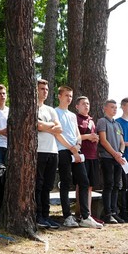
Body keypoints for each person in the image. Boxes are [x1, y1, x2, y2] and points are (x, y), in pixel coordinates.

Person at [55, 87, 99, 228]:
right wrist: (71, 148)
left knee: (84, 181)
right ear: (59, 96)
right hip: (63, 150)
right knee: (66, 182)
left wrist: (78, 146)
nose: (69, 98)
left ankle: (85, 216)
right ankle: (67, 216)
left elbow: (77, 134)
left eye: (70, 96)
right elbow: (57, 134)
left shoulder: (72, 116)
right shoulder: (55, 112)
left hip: (76, 151)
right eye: (66, 95)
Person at [34, 80, 62, 229]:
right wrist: (51, 126)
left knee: (48, 186)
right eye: (42, 89)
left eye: (46, 89)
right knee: (38, 185)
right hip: (39, 150)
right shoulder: (32, 107)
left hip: (53, 151)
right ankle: (38, 215)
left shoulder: (50, 110)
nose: (45, 91)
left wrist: (46, 126)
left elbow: (59, 128)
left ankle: (46, 215)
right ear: (35, 90)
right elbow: (38, 126)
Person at [76, 96, 103, 223]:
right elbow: (74, 137)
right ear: (77, 106)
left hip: (93, 156)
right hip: (82, 156)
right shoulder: (75, 119)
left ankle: (89, 214)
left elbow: (94, 135)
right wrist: (87, 136)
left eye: (87, 103)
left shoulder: (91, 120)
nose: (86, 106)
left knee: (90, 186)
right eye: (83, 104)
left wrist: (95, 138)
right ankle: (80, 214)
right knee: (81, 185)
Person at [98, 99, 125, 224]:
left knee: (116, 185)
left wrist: (120, 153)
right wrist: (115, 154)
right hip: (107, 158)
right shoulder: (102, 121)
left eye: (115, 107)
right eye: (112, 107)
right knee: (108, 184)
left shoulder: (117, 124)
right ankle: (107, 213)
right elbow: (103, 141)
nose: (114, 109)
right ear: (105, 108)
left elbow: (122, 142)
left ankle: (114, 212)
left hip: (118, 158)